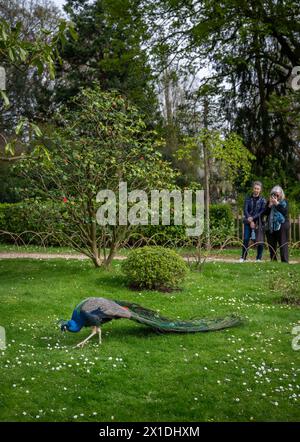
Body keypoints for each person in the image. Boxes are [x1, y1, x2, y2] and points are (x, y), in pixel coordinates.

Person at [240, 181, 266, 262]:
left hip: (258, 222)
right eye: (255, 188)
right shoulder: (248, 198)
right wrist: (249, 219)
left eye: (258, 189)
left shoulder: (263, 200)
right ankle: (243, 257)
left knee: (260, 240)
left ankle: (258, 258)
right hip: (248, 221)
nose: (256, 190)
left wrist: (253, 219)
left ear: (260, 190)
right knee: (246, 239)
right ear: (252, 189)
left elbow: (262, 212)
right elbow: (245, 209)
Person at [264, 185, 289, 263]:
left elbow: (285, 212)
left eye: (277, 195)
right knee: (271, 244)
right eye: (273, 194)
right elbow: (265, 213)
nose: (275, 196)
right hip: (270, 226)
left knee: (282, 243)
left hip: (282, 225)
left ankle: (284, 261)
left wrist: (277, 204)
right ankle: (273, 260)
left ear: (281, 195)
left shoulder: (284, 202)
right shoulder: (269, 202)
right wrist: (269, 205)